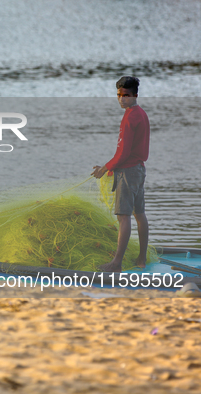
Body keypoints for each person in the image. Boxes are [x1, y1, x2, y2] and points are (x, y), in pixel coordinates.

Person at [92, 76, 150, 273]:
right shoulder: (141, 113)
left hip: (128, 171)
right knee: (139, 214)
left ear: (135, 95)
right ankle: (141, 258)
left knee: (123, 217)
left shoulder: (129, 118)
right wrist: (112, 167)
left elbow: (123, 152)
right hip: (139, 169)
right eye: (119, 95)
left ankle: (116, 263)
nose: (122, 99)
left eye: (126, 96)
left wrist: (106, 168)